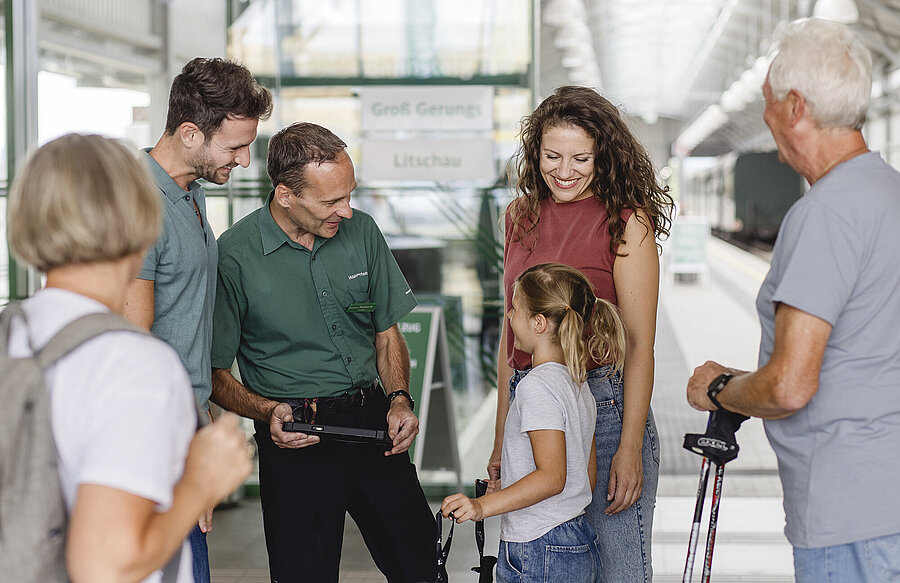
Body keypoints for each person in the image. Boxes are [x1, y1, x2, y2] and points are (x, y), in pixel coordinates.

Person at [686, 17, 900, 583]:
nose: (764, 116)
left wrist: (718, 390)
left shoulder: (825, 214)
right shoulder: (889, 193)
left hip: (848, 512)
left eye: (767, 101)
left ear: (795, 107)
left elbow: (790, 385)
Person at [4, 133, 252, 583]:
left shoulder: (9, 334)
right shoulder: (135, 364)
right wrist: (201, 481)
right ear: (142, 221)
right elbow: (107, 566)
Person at [210, 122, 436, 582]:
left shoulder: (364, 233)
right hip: (295, 436)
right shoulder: (233, 256)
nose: (346, 212)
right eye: (331, 201)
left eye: (349, 195)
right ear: (285, 194)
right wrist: (268, 411)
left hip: (374, 426)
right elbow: (213, 371)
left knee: (422, 567)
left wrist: (399, 398)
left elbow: (386, 332)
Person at [490, 85, 674, 582]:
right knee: (550, 567)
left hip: (605, 408)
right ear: (536, 154)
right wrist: (498, 440)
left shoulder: (626, 223)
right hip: (533, 414)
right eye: (552, 156)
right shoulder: (519, 217)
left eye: (580, 158)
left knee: (619, 571)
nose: (564, 171)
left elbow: (638, 344)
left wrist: (629, 447)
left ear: (602, 156)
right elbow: (514, 344)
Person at [122, 56, 272, 582]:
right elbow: (134, 349)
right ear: (190, 133)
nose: (246, 160)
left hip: (184, 425)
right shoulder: (139, 201)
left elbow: (181, 325)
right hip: (156, 439)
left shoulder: (190, 192)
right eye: (235, 146)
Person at [444, 263, 625, 582]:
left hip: (541, 546)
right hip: (576, 538)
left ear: (539, 323)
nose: (510, 317)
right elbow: (586, 476)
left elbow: (552, 477)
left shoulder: (536, 386)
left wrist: (481, 507)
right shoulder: (578, 384)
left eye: (514, 309)